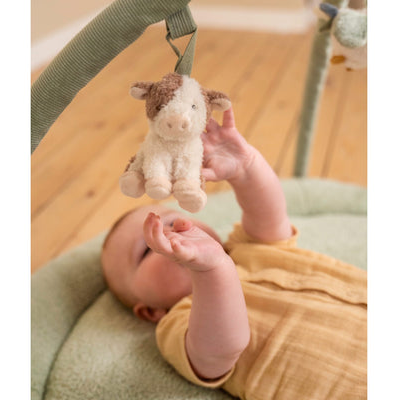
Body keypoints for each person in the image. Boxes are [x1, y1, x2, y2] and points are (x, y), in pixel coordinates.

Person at [101, 107, 367, 400]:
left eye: (169, 221)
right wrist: (212, 269)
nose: (169, 235)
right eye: (147, 250)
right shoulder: (180, 323)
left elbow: (269, 213)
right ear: (150, 311)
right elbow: (220, 350)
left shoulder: (250, 249)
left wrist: (246, 168)